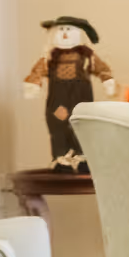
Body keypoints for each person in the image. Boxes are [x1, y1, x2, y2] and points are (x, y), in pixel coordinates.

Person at [24, 16, 115, 172]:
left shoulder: (87, 56)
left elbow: (102, 69)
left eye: (69, 29)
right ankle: (62, 158)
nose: (65, 33)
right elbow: (37, 72)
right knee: (59, 127)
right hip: (58, 102)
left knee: (82, 127)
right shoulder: (50, 57)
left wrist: (107, 81)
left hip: (81, 100)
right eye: (61, 29)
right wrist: (33, 85)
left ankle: (82, 157)